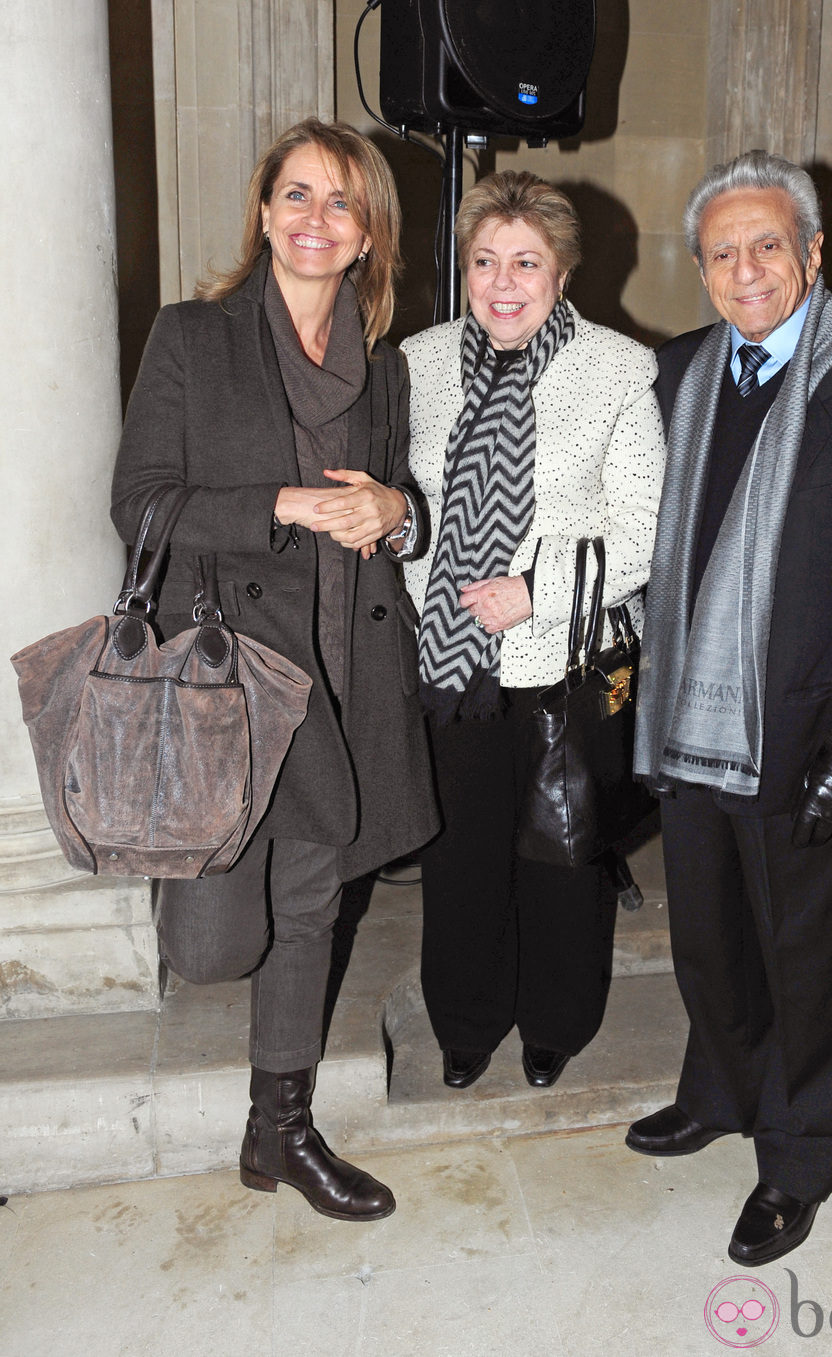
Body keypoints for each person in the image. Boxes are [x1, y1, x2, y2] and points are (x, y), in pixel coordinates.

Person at [631, 150, 832, 1265]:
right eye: (721, 252)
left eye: (767, 243)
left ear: (812, 252)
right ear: (702, 271)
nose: (745, 268)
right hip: (686, 721)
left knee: (811, 956)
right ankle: (720, 1086)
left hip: (810, 732)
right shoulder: (674, 374)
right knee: (709, 938)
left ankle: (803, 1150)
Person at [111, 119, 438, 1221]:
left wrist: (399, 511)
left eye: (339, 203)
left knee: (310, 907)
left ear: (366, 240)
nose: (314, 219)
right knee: (214, 946)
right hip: (232, 686)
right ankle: (270, 1109)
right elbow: (141, 503)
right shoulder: (195, 340)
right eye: (294, 196)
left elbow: (395, 509)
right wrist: (277, 507)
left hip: (343, 681)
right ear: (262, 215)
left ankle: (279, 1133)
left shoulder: (383, 371)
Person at [401, 171, 665, 1092]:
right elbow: (411, 507)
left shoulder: (620, 368)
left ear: (561, 271)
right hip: (450, 662)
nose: (502, 282)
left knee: (560, 852)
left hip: (565, 658)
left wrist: (533, 589)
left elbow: (644, 528)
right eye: (484, 261)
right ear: (463, 266)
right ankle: (467, 1020)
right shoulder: (420, 361)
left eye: (525, 261)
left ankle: (557, 1020)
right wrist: (406, 541)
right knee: (460, 857)